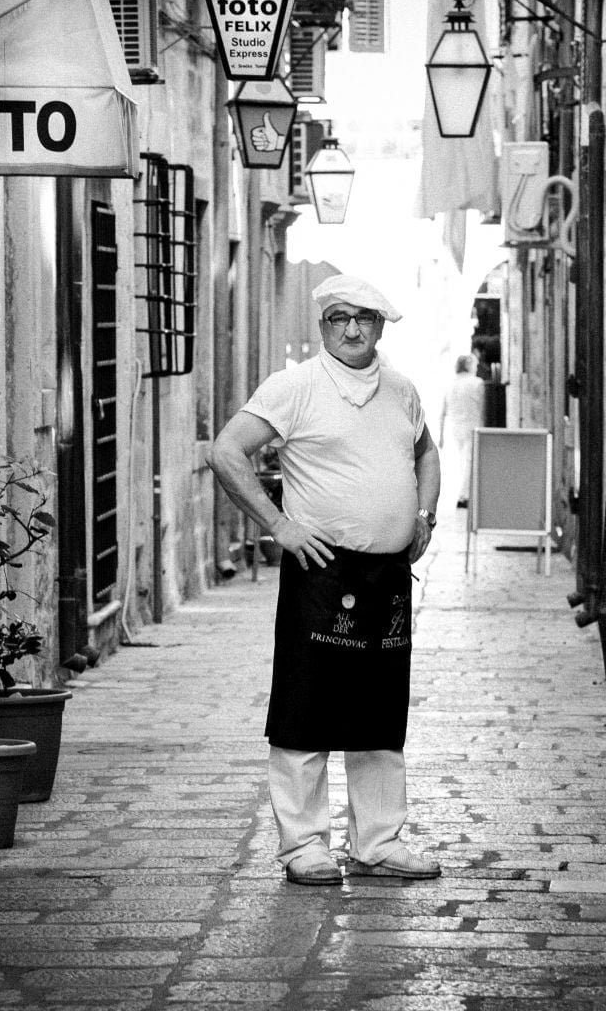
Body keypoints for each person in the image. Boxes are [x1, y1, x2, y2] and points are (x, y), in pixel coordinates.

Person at [207, 273, 442, 886]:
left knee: (379, 714)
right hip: (321, 570)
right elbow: (227, 451)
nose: (353, 329)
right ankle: (305, 847)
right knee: (305, 710)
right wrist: (279, 525)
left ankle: (379, 842)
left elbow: (426, 453)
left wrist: (423, 514)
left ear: (381, 325)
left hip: (388, 574)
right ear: (323, 325)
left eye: (365, 317)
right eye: (341, 317)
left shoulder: (401, 388)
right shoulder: (295, 387)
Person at [439, 353, 485, 508]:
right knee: (470, 461)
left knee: (463, 462)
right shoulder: (477, 383)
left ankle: (465, 493)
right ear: (469, 365)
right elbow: (484, 407)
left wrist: (441, 437)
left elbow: (442, 412)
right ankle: (464, 496)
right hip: (473, 427)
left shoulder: (450, 385)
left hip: (455, 428)